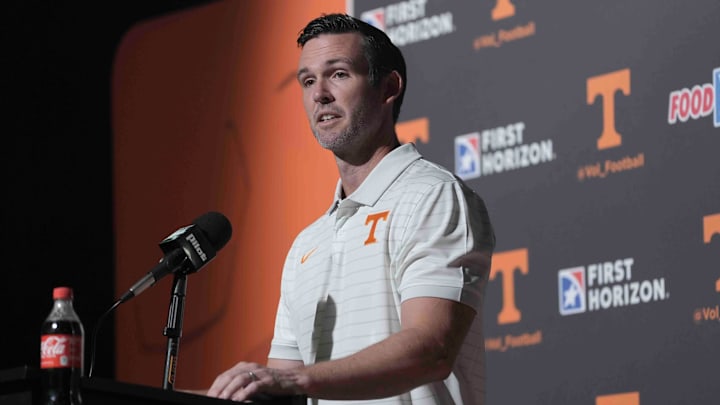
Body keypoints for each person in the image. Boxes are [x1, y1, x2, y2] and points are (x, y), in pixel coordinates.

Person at [207, 13, 495, 404]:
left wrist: (292, 382)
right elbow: (280, 385)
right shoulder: (307, 244)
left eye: (338, 74)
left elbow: (432, 348)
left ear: (388, 87)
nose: (319, 94)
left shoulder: (433, 195)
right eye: (308, 81)